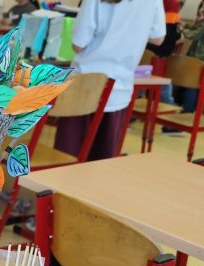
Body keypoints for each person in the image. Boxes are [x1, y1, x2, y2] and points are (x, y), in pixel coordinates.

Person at [54, 0, 166, 161]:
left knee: (67, 158)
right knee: (103, 160)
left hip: (84, 85)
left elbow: (79, 44)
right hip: (119, 88)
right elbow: (158, 38)